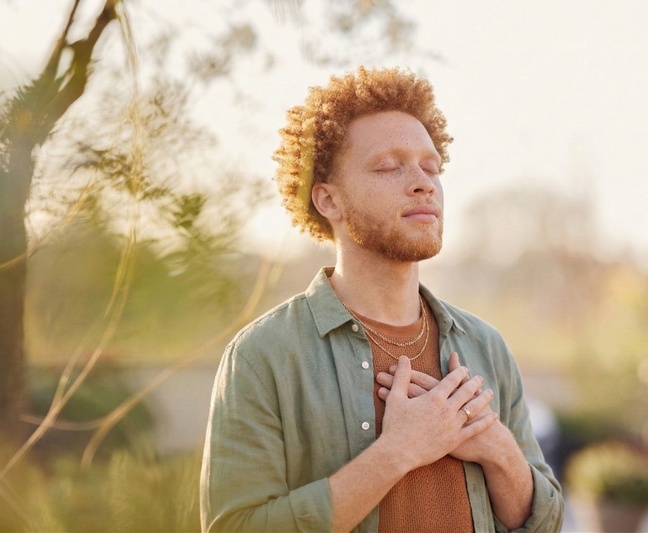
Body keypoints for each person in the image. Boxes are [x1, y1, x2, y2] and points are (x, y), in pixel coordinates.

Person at [200, 67, 563, 533]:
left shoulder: (487, 346)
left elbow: (545, 521)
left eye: (431, 167)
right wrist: (398, 452)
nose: (423, 183)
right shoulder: (264, 356)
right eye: (389, 166)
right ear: (328, 200)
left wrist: (495, 446)